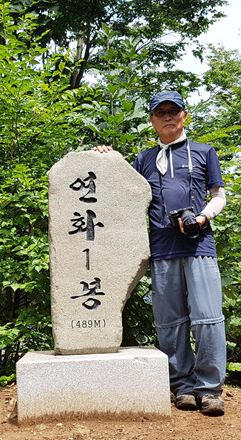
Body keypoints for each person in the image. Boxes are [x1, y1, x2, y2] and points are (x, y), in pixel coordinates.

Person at [95, 90, 228, 416]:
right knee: (170, 322)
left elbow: (219, 196)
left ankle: (209, 389)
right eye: (160, 112)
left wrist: (203, 217)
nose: (168, 116)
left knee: (208, 318)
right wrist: (106, 157)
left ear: (184, 115)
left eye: (174, 110)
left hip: (199, 245)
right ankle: (182, 387)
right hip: (161, 249)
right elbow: (124, 192)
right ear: (152, 120)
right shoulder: (144, 159)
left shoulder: (204, 152)